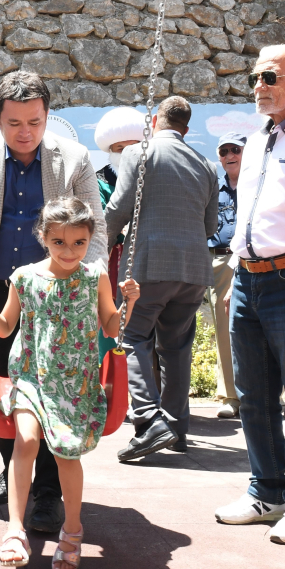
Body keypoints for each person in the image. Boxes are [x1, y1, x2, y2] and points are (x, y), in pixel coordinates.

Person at [0, 70, 108, 534]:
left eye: (34, 122)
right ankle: (12, 466)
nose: (25, 132)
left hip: (58, 291)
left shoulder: (73, 158)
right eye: (14, 123)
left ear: (47, 116)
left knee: (57, 389)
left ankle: (49, 492)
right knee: (5, 387)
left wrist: (90, 283)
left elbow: (95, 228)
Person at [0, 197, 139, 569]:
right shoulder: (24, 277)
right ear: (44, 238)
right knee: (26, 441)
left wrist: (127, 303)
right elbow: (4, 327)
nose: (69, 251)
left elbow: (111, 326)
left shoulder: (95, 276)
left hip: (75, 384)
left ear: (90, 239)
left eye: (79, 243)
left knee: (67, 454)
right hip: (31, 377)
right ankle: (15, 529)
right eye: (59, 242)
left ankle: (72, 530)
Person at [214, 44, 285, 544]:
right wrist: (237, 271)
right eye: (255, 78)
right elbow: (250, 213)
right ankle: (267, 492)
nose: (258, 85)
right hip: (248, 280)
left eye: (270, 77)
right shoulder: (257, 140)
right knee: (253, 396)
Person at [106, 97, 218, 461]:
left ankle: (148, 419)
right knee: (177, 348)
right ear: (186, 128)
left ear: (155, 121)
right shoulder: (206, 165)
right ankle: (177, 430)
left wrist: (96, 250)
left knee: (132, 337)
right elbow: (210, 226)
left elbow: (119, 209)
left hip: (148, 266)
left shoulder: (138, 152)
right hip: (193, 271)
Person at [93, 106, 145, 359]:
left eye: (133, 147)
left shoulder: (151, 176)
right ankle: (107, 373)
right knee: (110, 316)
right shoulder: (98, 181)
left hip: (146, 257)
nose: (127, 154)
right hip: (112, 258)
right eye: (120, 148)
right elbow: (101, 220)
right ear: (110, 151)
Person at [208, 133, 245, 419]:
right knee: (223, 329)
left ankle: (264, 393)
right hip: (213, 260)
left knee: (255, 329)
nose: (230, 155)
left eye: (236, 150)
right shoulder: (212, 188)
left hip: (247, 260)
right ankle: (231, 396)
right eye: (224, 151)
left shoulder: (256, 185)